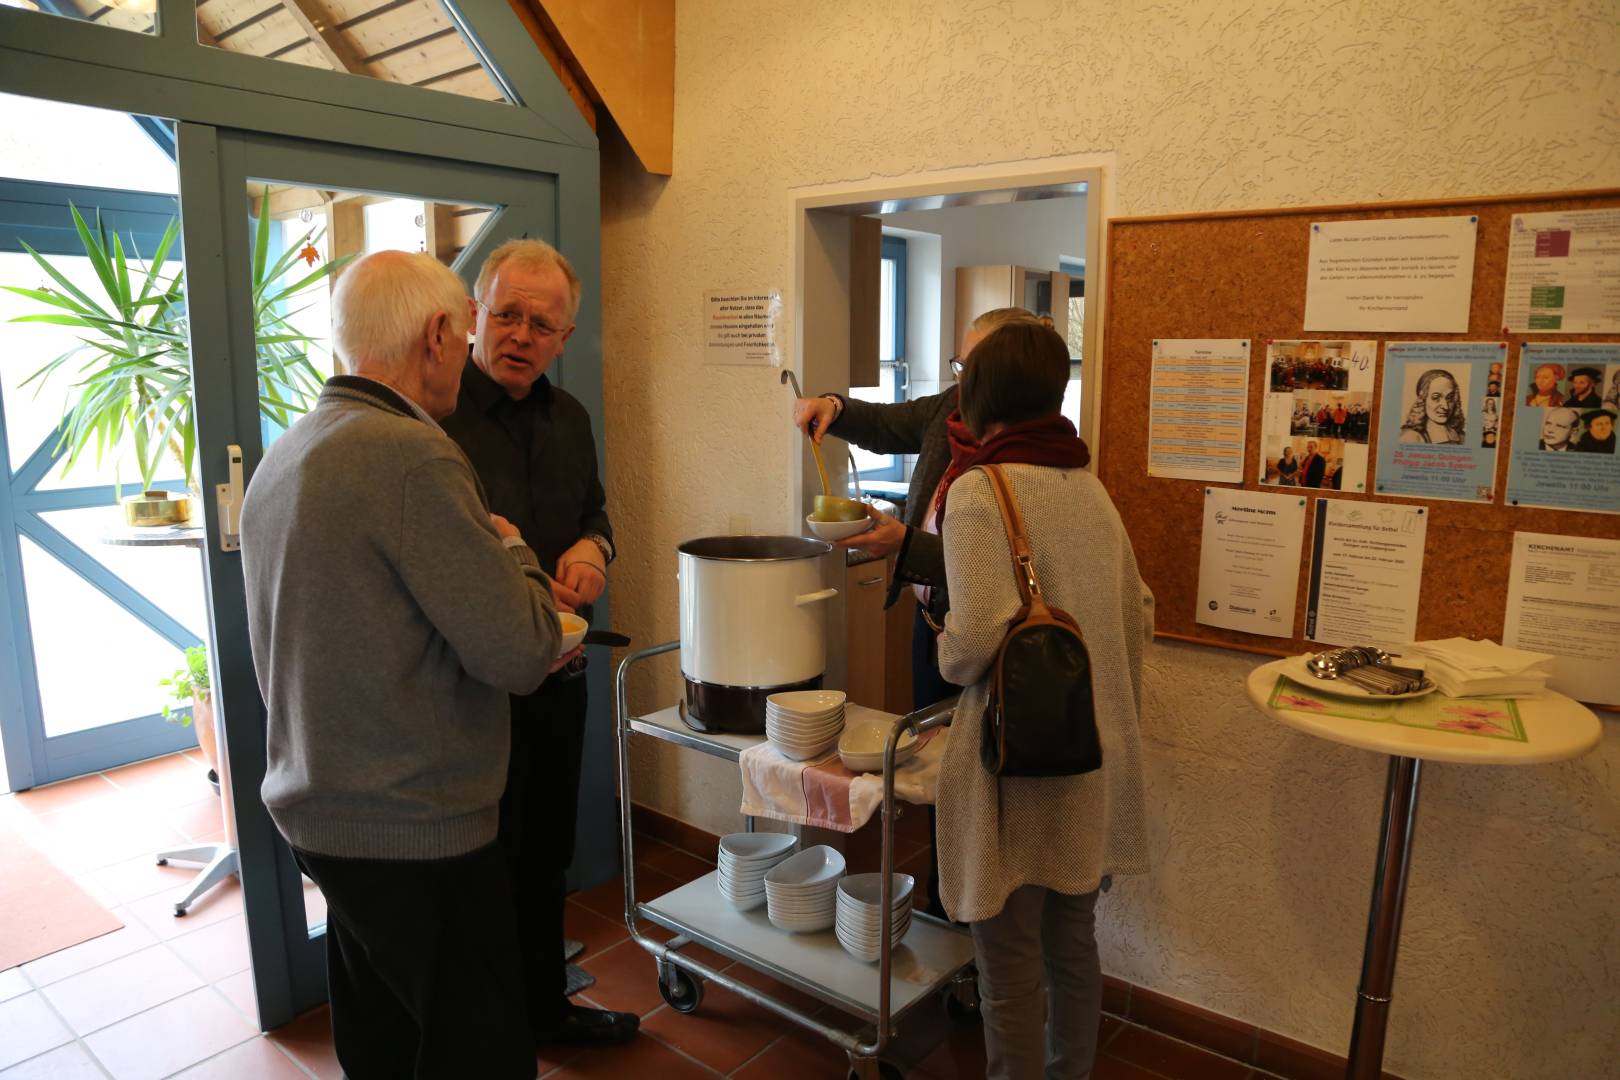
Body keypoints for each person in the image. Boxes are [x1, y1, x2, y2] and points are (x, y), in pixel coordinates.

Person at [241, 251, 564, 1079]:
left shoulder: (290, 450)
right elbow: (522, 652)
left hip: (320, 807)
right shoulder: (411, 457)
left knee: (383, 1034)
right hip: (416, 827)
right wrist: (519, 550)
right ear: (437, 334)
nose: (474, 349)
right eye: (468, 330)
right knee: (480, 1052)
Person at [931, 320, 1152, 1080]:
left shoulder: (976, 490)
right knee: (1074, 943)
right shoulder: (1089, 487)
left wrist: (940, 637)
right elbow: (1140, 614)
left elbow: (971, 647)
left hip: (1016, 768)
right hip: (1093, 753)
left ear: (977, 394)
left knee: (1010, 962)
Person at [438, 238, 634, 1050]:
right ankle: (490, 1032)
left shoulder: (572, 417)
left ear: (565, 335)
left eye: (541, 323)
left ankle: (545, 1012)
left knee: (546, 848)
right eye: (506, 314)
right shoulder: (434, 418)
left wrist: (595, 550)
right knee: (481, 858)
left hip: (562, 674)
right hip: (469, 686)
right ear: (474, 314)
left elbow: (595, 511)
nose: (520, 334)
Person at [791, 306, 1043, 916]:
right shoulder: (948, 413)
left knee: (982, 790)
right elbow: (888, 422)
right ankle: (941, 899)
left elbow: (991, 567)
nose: (963, 381)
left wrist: (902, 545)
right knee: (936, 779)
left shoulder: (1026, 456)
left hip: (987, 648)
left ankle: (978, 915)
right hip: (930, 629)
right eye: (961, 365)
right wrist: (836, 406)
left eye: (972, 366)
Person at [1399, 369, 1465, 445]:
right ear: (1423, 399)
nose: (1445, 406)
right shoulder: (1411, 437)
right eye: (1436, 398)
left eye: (1449, 398)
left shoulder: (1462, 437)